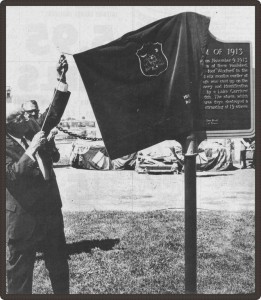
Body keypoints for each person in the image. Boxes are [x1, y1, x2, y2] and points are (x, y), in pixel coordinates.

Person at [6, 55, 70, 294]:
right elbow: (11, 175)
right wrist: (32, 148)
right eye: (20, 117)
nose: (27, 118)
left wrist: (61, 79)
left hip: (50, 212)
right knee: (20, 279)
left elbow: (51, 115)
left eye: (26, 115)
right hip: (23, 219)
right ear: (7, 124)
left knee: (60, 271)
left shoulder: (30, 127)